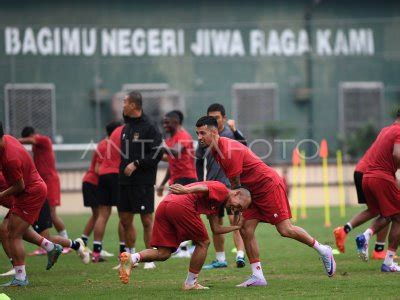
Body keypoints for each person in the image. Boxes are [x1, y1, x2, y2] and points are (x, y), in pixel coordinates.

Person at [195, 116, 336, 287]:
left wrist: (237, 210)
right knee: (246, 229)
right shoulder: (216, 150)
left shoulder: (227, 151)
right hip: (252, 192)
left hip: (267, 187)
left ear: (214, 131)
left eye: (202, 133)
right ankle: (258, 276)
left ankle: (323, 250)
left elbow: (235, 187)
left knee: (285, 229)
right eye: (197, 133)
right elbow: (238, 188)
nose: (199, 137)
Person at [118, 181, 251, 290]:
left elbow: (216, 229)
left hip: (165, 205)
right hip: (181, 204)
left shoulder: (217, 203)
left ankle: (132, 258)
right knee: (203, 243)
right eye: (238, 205)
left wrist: (236, 227)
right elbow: (205, 188)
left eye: (239, 210)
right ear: (236, 193)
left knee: (164, 253)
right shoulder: (223, 189)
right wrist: (187, 191)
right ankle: (190, 283)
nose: (236, 209)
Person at [0, 123, 63, 286]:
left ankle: (21, 278)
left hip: (30, 192)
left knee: (13, 234)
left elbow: (19, 186)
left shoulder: (9, 159)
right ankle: (50, 247)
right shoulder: (7, 139)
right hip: (29, 190)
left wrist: (0, 195)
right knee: (14, 228)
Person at [196, 103, 247, 269]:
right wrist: (199, 181)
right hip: (212, 184)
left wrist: (236, 131)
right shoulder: (204, 136)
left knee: (234, 220)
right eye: (212, 117)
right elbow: (198, 160)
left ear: (224, 118)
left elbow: (245, 146)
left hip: (230, 186)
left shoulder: (230, 134)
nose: (215, 120)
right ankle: (220, 259)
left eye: (217, 117)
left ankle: (240, 255)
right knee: (215, 222)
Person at [118, 91, 163, 270]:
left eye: (125, 102)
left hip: (143, 181)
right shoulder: (126, 127)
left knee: (146, 220)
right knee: (125, 219)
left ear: (134, 105)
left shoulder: (149, 126)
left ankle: (148, 257)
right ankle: (130, 256)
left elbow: (157, 153)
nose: (123, 105)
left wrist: (136, 163)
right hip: (124, 181)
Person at [355, 111, 400, 272]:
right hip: (382, 178)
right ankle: (388, 263)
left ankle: (366, 236)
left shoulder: (385, 130)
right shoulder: (399, 131)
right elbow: (397, 154)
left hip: (368, 177)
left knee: (387, 215)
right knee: (399, 217)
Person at [333, 147, 389, 260]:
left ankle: (344, 230)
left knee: (376, 210)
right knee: (387, 210)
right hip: (371, 173)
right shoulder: (395, 137)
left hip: (360, 171)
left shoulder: (386, 135)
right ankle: (379, 250)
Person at [19, 127, 69, 243]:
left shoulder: (43, 140)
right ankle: (46, 243)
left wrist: (13, 141)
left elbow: (32, 140)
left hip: (51, 181)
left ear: (31, 135)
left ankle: (66, 242)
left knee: (52, 214)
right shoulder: (36, 146)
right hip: (43, 183)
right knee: (43, 214)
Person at [91, 121, 124, 263]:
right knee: (124, 214)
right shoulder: (123, 142)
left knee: (103, 214)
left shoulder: (102, 144)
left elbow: (97, 168)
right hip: (117, 176)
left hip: (103, 176)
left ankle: (96, 252)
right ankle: (123, 252)